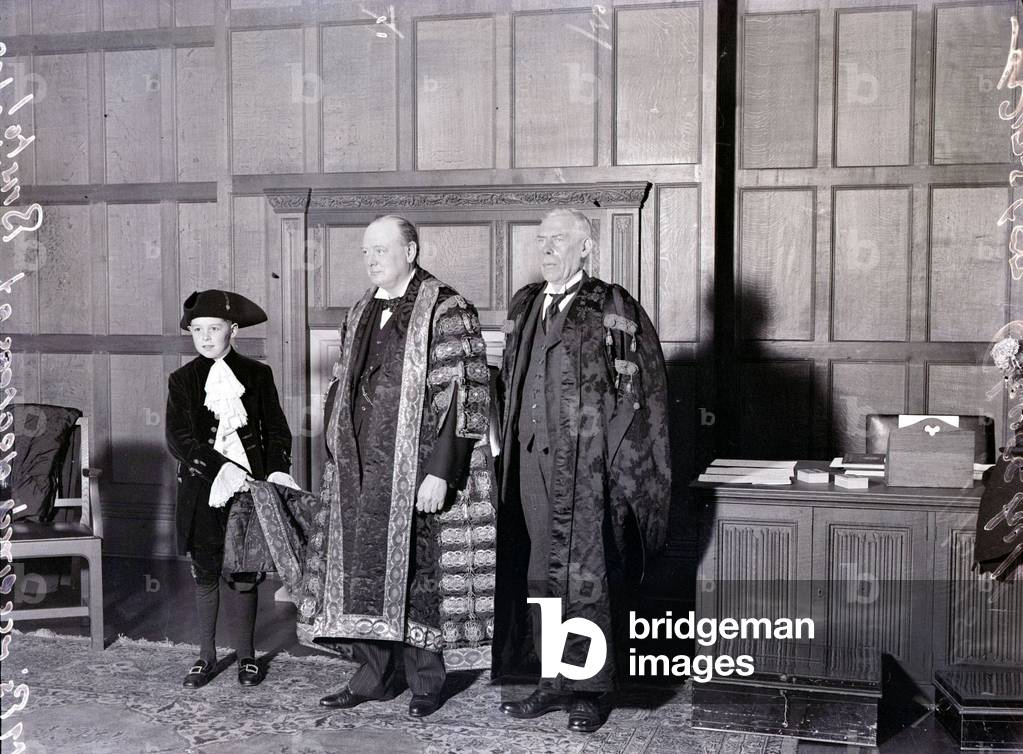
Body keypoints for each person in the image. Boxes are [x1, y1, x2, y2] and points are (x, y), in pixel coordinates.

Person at [305, 215, 496, 718]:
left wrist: (441, 471)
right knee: (364, 570)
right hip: (362, 466)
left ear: (410, 251)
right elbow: (342, 381)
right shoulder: (361, 308)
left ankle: (426, 682)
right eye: (366, 251)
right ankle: (373, 675)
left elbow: (466, 396)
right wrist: (335, 442)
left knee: (419, 572)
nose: (371, 260)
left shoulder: (448, 308)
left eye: (381, 250)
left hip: (417, 468)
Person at [493, 209, 671, 732]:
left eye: (560, 240)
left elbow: (635, 391)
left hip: (587, 468)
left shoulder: (610, 304)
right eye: (542, 239)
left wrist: (610, 465)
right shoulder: (526, 303)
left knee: (586, 576)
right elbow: (511, 379)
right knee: (536, 572)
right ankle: (550, 681)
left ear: (586, 248)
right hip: (528, 458)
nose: (547, 249)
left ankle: (587, 692)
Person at [166, 290, 297, 689]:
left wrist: (276, 472)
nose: (205, 338)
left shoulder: (258, 375)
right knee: (205, 572)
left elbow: (276, 430)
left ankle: (246, 657)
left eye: (215, 329)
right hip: (203, 489)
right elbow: (179, 438)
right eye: (197, 330)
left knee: (244, 572)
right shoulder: (182, 380)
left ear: (233, 330)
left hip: (249, 491)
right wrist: (218, 468)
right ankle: (205, 656)